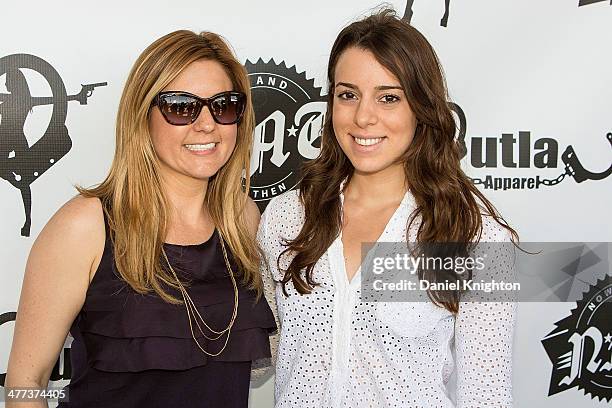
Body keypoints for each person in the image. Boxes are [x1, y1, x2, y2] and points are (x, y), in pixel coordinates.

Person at [258, 9, 518, 407]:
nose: (364, 116)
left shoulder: (473, 236)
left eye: (389, 97)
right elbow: (274, 349)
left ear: (421, 107)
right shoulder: (287, 215)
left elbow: (485, 395)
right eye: (348, 95)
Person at [6, 30, 277, 408]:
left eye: (224, 105)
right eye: (181, 106)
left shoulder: (243, 220)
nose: (206, 124)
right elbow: (24, 384)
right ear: (142, 115)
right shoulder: (85, 226)